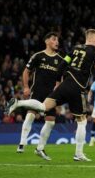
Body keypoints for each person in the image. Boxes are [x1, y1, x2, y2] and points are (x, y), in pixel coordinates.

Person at [6, 29, 95, 162]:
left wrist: (59, 81)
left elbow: (63, 64)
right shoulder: (94, 50)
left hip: (64, 86)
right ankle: (79, 154)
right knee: (82, 121)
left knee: (43, 107)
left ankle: (18, 103)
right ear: (91, 38)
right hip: (77, 87)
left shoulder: (75, 49)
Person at [17, 32, 62, 161]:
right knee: (31, 113)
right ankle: (22, 143)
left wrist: (58, 87)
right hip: (37, 90)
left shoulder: (60, 59)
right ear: (47, 41)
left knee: (51, 121)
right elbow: (26, 71)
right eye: (54, 39)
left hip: (51, 95)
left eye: (57, 40)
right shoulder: (38, 56)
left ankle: (40, 148)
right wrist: (25, 87)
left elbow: (61, 77)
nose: (57, 42)